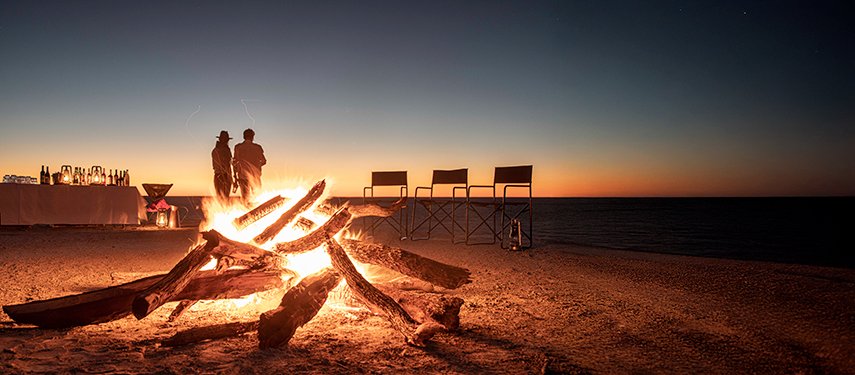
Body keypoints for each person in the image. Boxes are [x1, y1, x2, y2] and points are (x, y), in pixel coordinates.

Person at [232, 128, 266, 203]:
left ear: (243, 136)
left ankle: (247, 213)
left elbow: (234, 163)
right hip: (255, 176)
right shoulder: (258, 147)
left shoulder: (238, 147)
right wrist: (257, 165)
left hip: (243, 176)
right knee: (257, 198)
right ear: (252, 136)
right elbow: (264, 161)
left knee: (245, 199)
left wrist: (235, 177)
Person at [211, 130, 233, 201]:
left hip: (217, 175)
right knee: (225, 198)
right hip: (225, 176)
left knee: (220, 197)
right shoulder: (226, 150)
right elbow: (227, 164)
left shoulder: (215, 150)